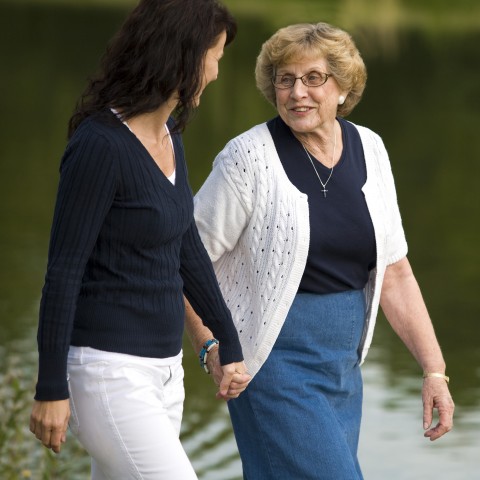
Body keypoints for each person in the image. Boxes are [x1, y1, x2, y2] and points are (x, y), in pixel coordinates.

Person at [184, 22, 455, 479]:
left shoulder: (371, 149)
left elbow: (396, 272)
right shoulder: (247, 157)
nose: (296, 93)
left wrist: (435, 370)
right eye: (285, 80)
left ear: (343, 87)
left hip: (343, 369)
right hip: (270, 362)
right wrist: (209, 344)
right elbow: (184, 259)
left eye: (313, 78)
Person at [29, 1, 250, 478]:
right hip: (109, 373)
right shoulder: (99, 146)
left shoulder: (169, 137)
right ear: (183, 56)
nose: (215, 72)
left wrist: (225, 342)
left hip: (166, 372)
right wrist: (50, 388)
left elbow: (186, 247)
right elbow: (64, 272)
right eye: (214, 56)